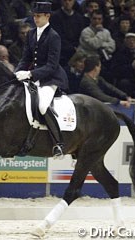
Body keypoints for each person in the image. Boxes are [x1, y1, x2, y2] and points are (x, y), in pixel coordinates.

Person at [15, 2, 69, 158]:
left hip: (50, 79)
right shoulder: (31, 33)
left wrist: (30, 74)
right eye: (34, 16)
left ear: (47, 16)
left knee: (43, 105)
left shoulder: (54, 36)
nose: (36, 18)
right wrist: (17, 73)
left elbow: (52, 66)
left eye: (39, 16)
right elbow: (25, 58)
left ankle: (59, 143)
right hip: (34, 76)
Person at [50, 0, 84, 66]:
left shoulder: (79, 18)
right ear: (61, 1)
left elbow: (81, 35)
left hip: (77, 50)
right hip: (61, 52)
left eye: (70, 0)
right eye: (65, 0)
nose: (67, 2)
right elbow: (57, 36)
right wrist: (72, 48)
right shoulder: (55, 17)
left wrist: (77, 47)